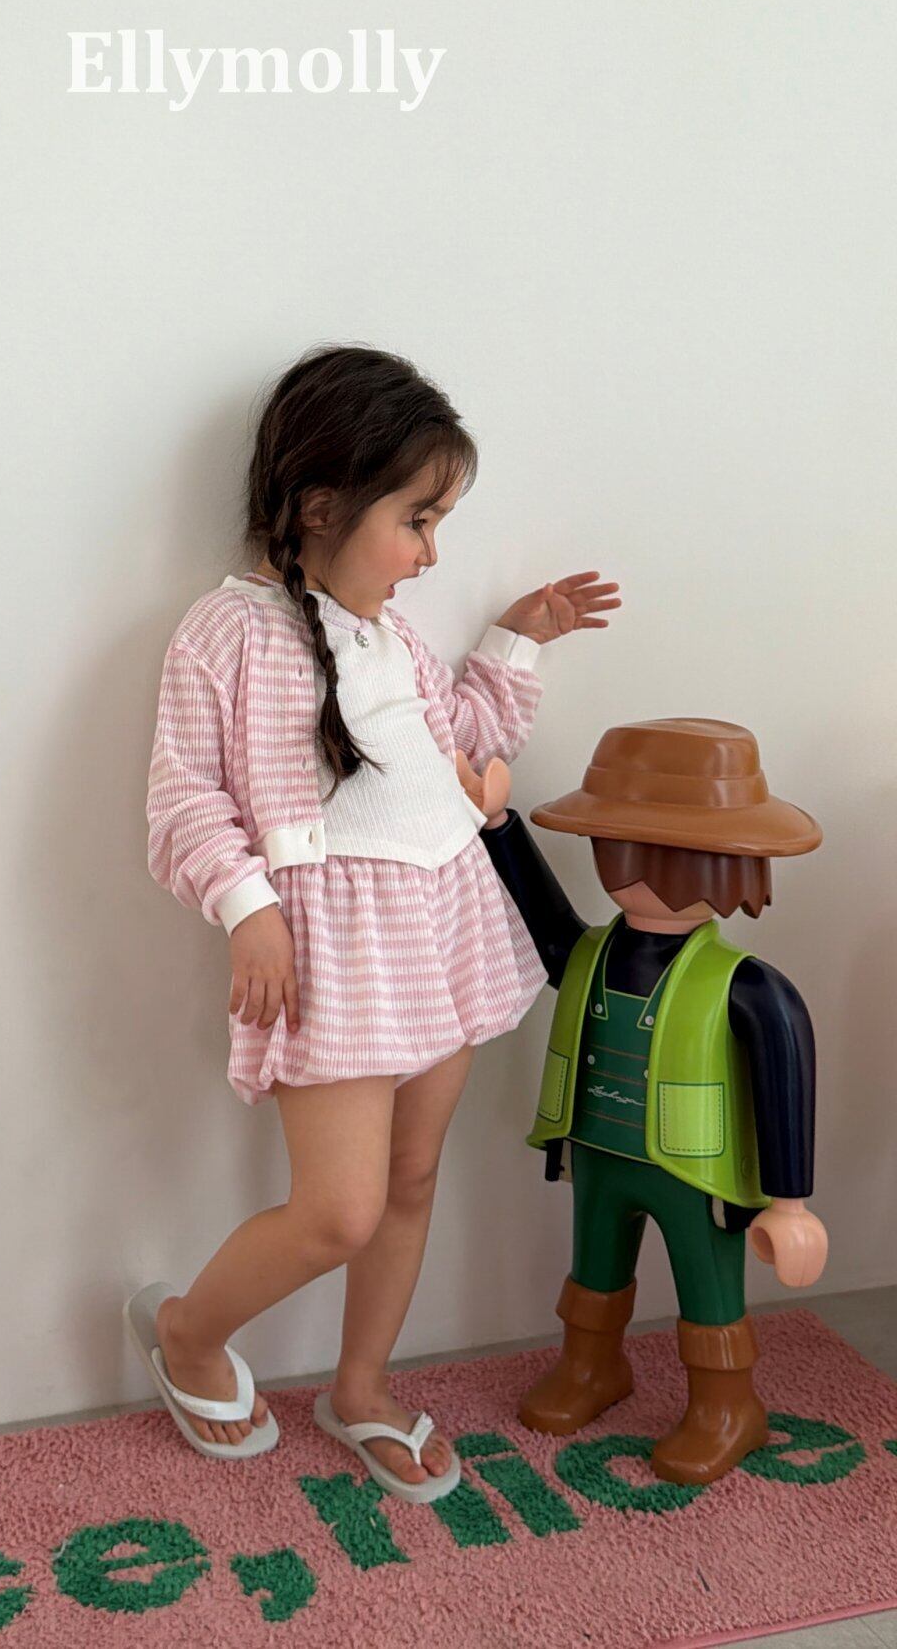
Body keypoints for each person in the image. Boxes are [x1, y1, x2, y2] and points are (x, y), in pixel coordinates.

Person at [127, 343, 621, 1501]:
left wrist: (517, 636)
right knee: (337, 1209)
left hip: (441, 924)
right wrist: (247, 906)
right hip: (336, 953)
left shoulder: (388, 637)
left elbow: (455, 742)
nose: (428, 552)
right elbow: (182, 798)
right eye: (415, 520)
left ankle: (360, 1386)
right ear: (319, 505)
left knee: (408, 1178)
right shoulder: (227, 631)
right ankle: (189, 1330)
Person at [477, 717, 828, 1484]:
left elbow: (786, 1071)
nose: (633, 871)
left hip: (695, 1174)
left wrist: (791, 1203)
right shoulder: (592, 954)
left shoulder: (745, 984)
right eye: (619, 846)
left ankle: (727, 1406)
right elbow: (547, 927)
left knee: (709, 1292)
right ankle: (591, 1367)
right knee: (593, 1273)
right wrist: (499, 828)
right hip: (600, 1152)